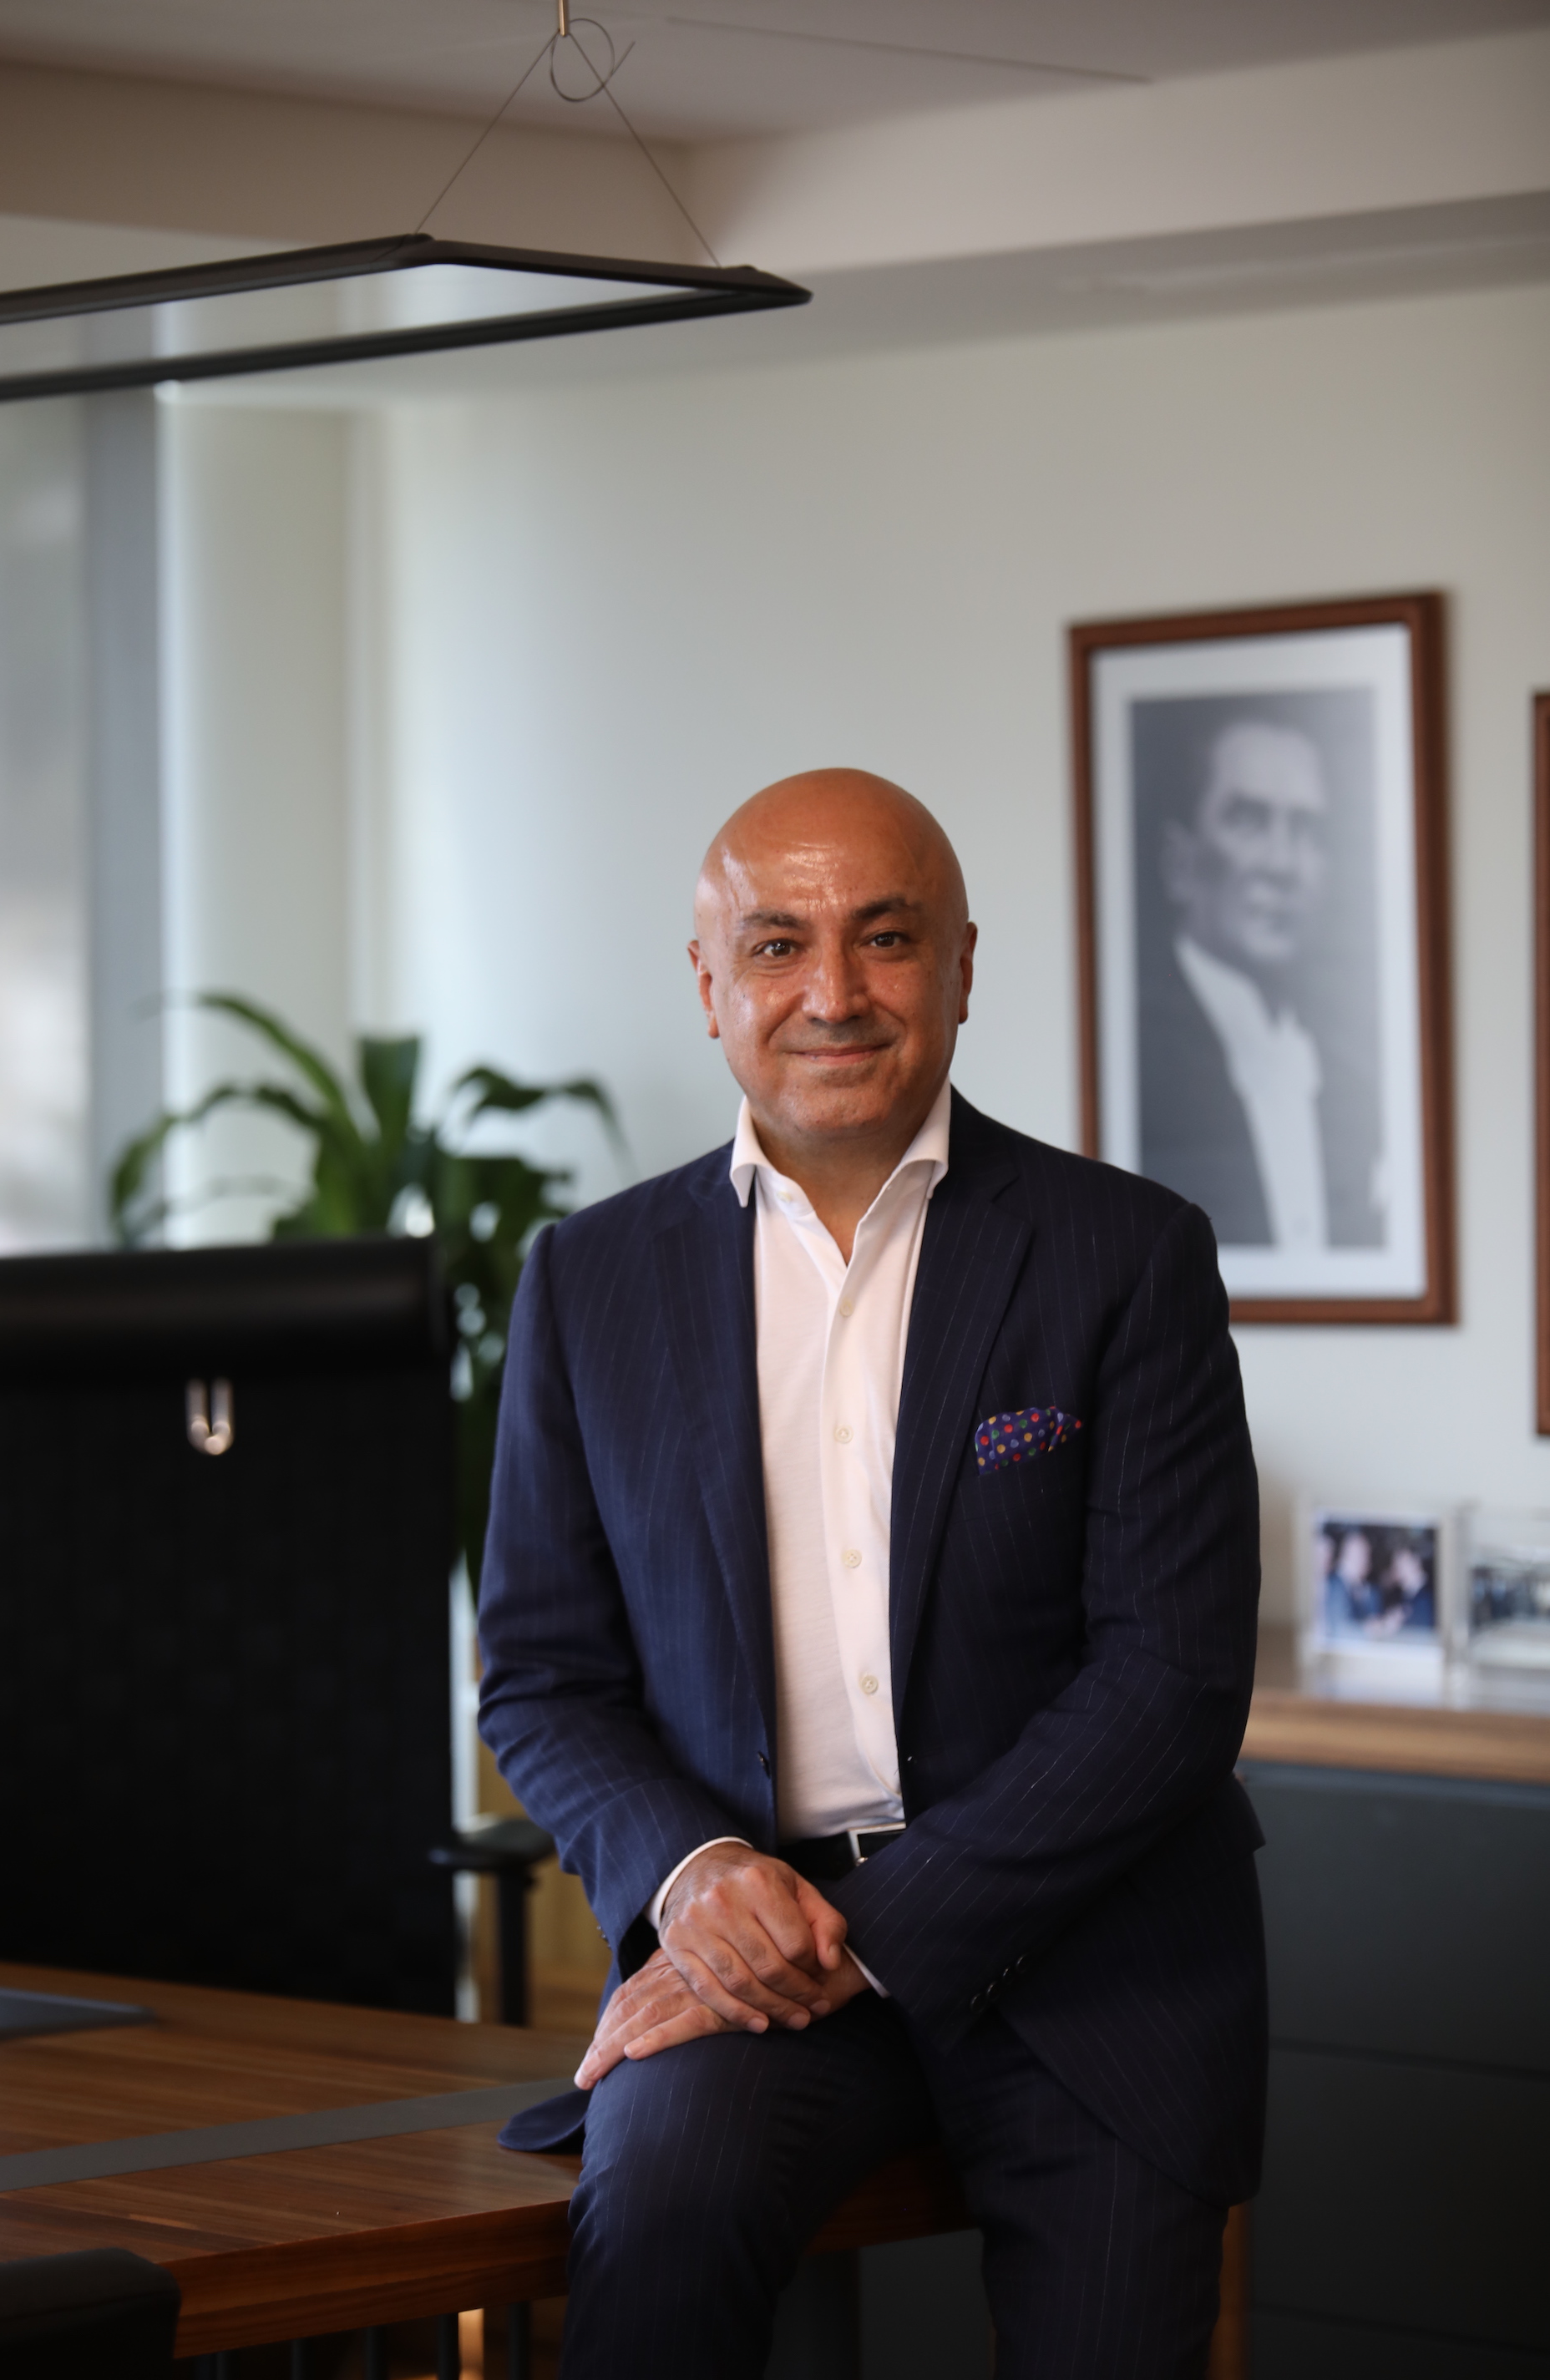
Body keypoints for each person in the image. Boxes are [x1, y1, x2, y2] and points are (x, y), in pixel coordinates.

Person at [479, 768, 1265, 2379]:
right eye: (777, 946)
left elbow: (1171, 1681)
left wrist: (875, 1927)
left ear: (962, 967)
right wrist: (696, 1880)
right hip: (757, 1961)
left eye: (886, 939)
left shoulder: (1128, 1255)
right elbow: (545, 1675)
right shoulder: (587, 1280)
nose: (833, 993)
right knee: (651, 2247)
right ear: (709, 984)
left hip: (1090, 1960)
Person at [1138, 716, 1381, 1249]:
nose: (1283, 864)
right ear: (1180, 863)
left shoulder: (1355, 1083)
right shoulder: (1142, 1068)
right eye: (1248, 820)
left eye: (1305, 830)